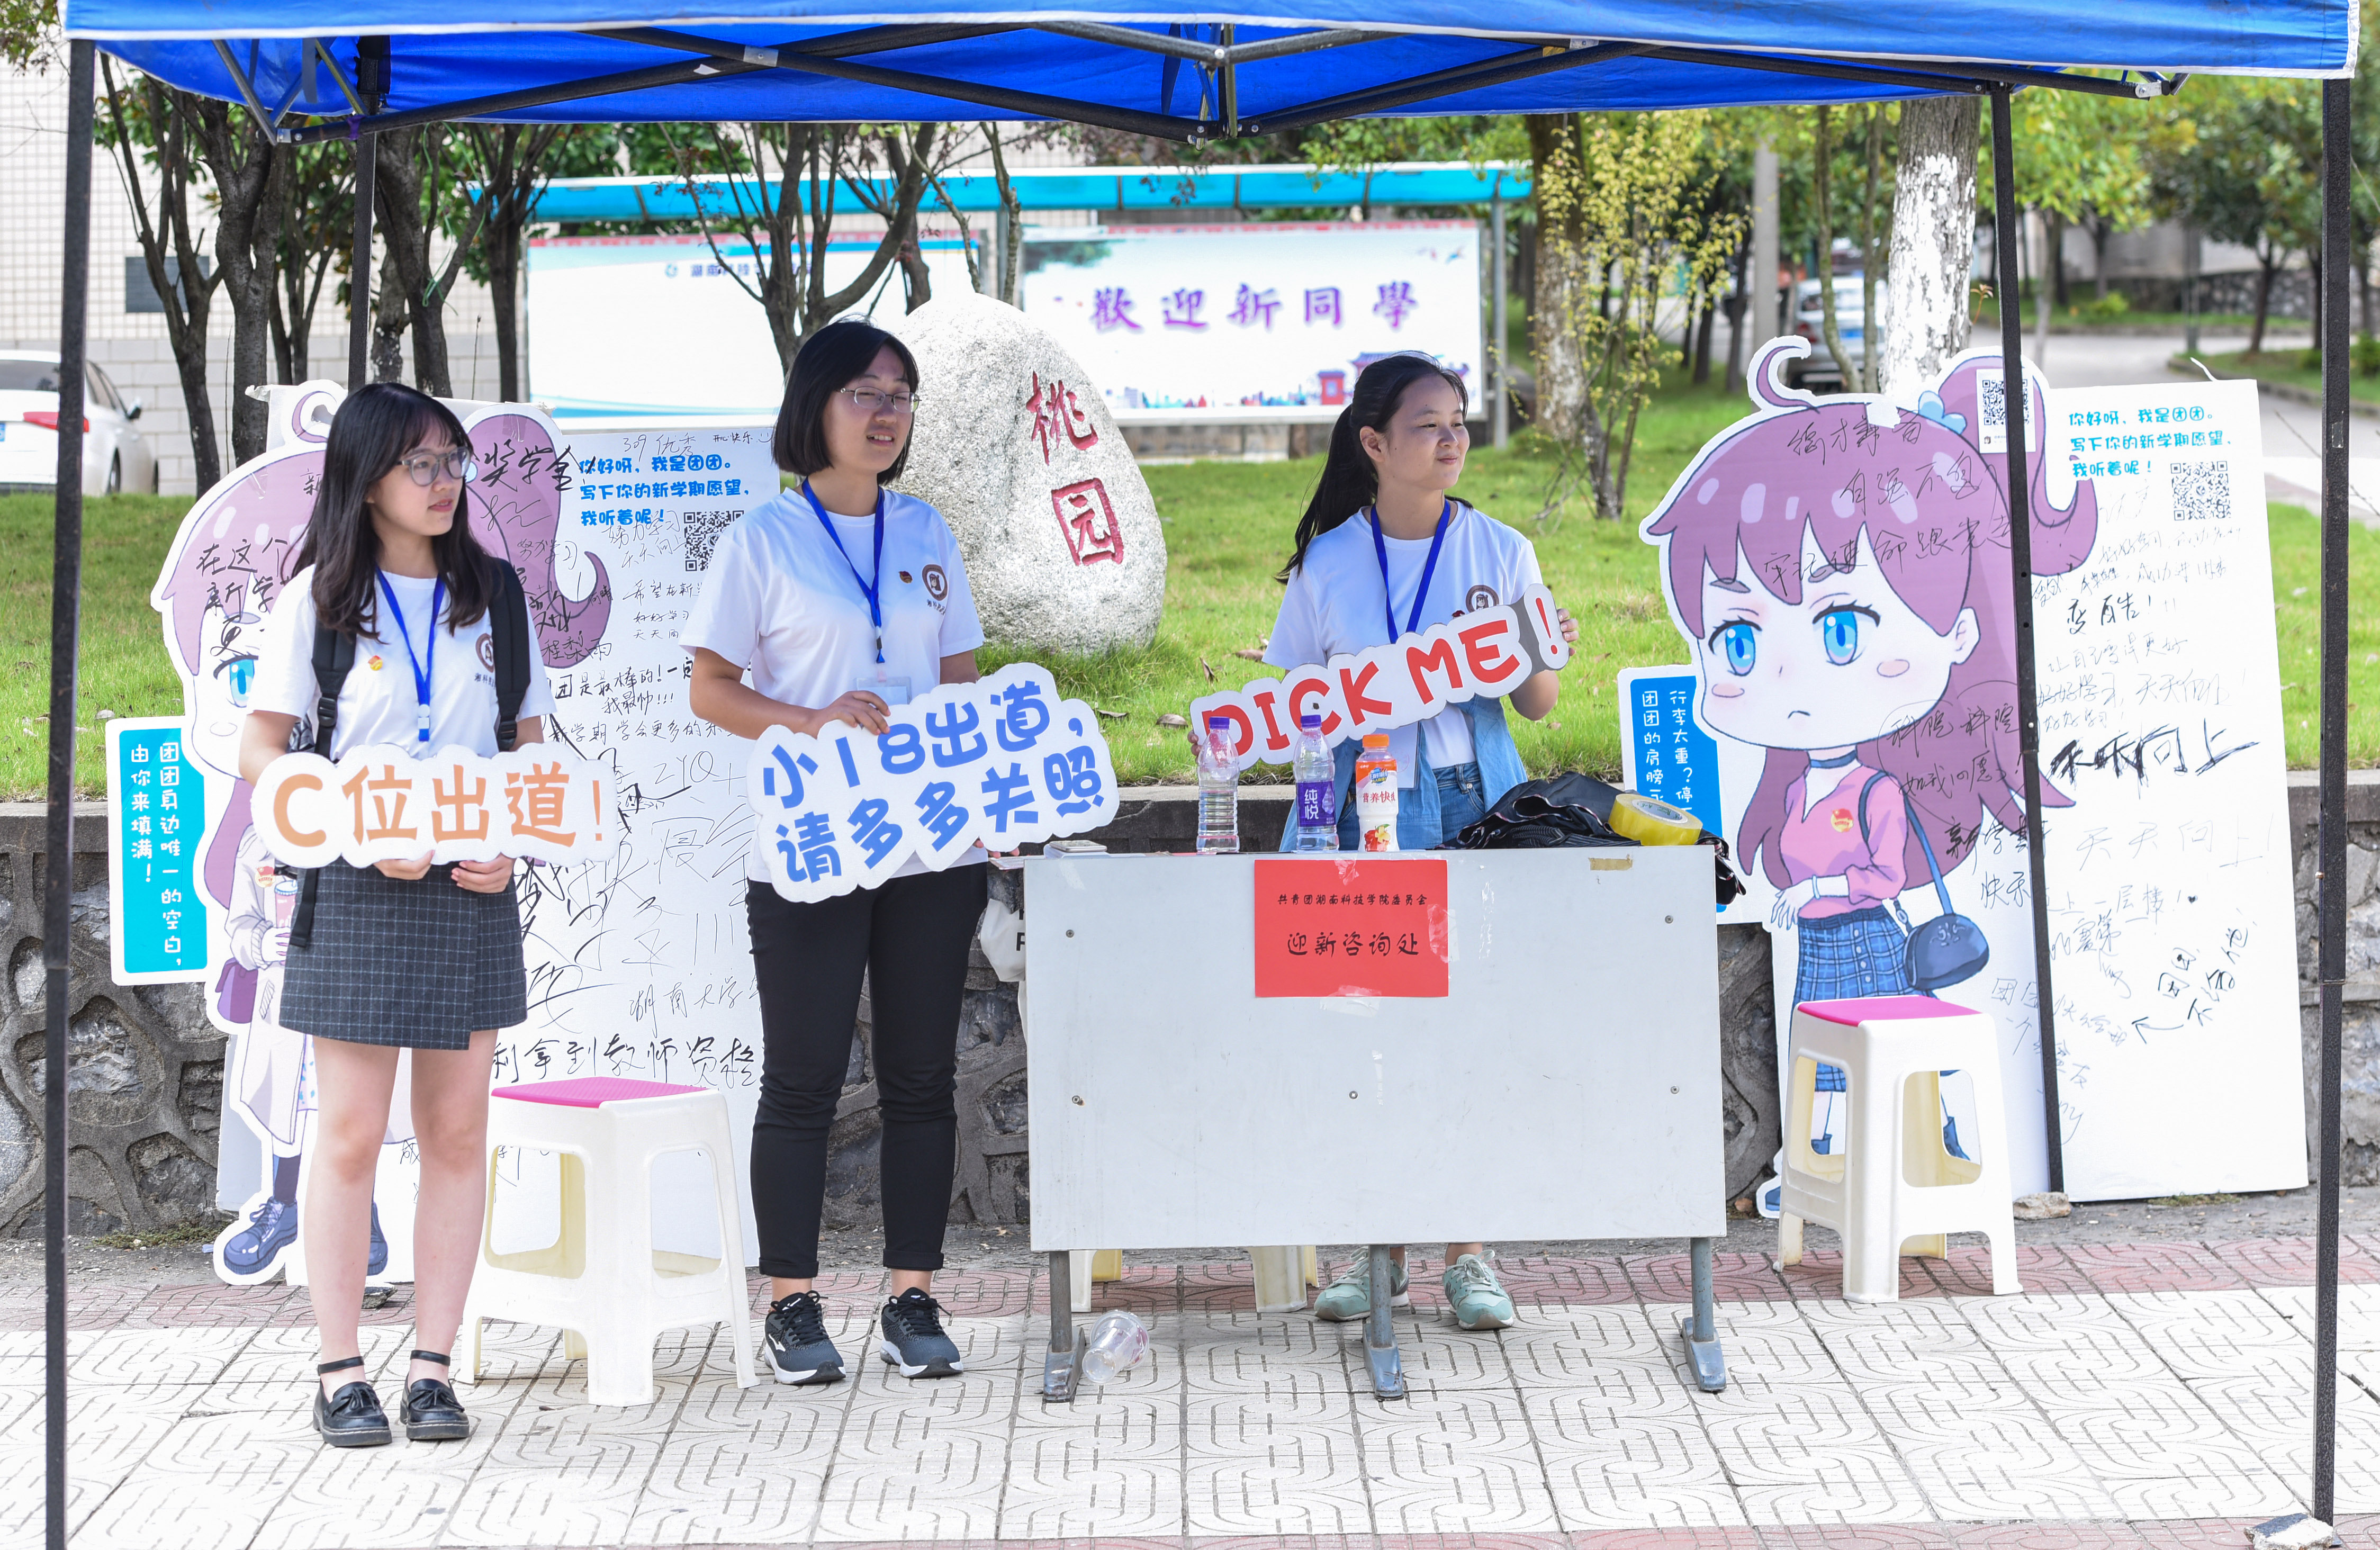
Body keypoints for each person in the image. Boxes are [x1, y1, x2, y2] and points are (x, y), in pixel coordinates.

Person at [1642, 345, 2099, 1204]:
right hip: (1819, 950)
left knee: (1882, 1058)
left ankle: (1930, 1161)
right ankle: (1822, 1173)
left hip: (1865, 943)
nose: (1787, 676)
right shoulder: (1795, 788)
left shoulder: (1878, 791)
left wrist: (1815, 893)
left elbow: (1882, 875)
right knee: (1821, 1064)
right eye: (1737, 640)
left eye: (1842, 629)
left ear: (1958, 634)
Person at [240, 381, 555, 1447]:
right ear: (366, 478)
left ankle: (431, 1369)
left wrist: (507, 841)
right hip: (359, 883)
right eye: (420, 463)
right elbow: (261, 747)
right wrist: (351, 824)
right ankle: (340, 1370)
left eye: (452, 460)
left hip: (469, 887)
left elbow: (527, 749)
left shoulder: (494, 596)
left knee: (458, 1132)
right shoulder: (321, 602)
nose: (443, 480)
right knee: (350, 1135)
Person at [682, 319, 988, 1385]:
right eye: (864, 391)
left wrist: (980, 785)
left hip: (930, 844)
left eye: (900, 394)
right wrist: (810, 722)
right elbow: (710, 689)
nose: (886, 412)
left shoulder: (927, 530)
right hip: (810, 843)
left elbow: (960, 682)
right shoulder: (761, 540)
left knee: (921, 1077)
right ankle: (792, 1302)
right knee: (804, 1078)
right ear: (815, 405)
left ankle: (912, 1297)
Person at [1263, 353, 1577, 1332]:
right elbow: (1292, 704)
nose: (1451, 441)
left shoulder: (1499, 549)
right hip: (1367, 806)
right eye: (1427, 425)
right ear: (1373, 443)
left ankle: (1470, 1254)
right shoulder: (1329, 563)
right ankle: (1378, 1251)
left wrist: (1536, 648)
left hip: (1477, 800)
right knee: (1371, 1033)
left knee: (1473, 1027)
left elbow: (1539, 702)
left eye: (1458, 423)